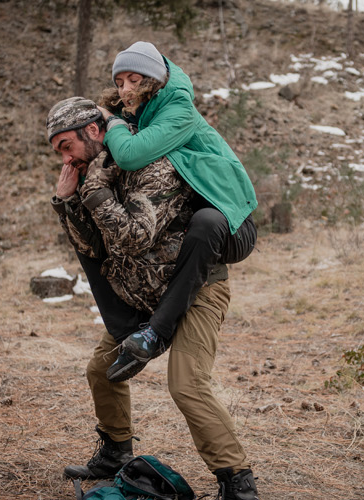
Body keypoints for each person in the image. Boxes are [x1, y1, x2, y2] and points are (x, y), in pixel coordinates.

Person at [46, 96, 259, 500]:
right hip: (142, 296)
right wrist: (69, 201)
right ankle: (114, 452)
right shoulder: (95, 173)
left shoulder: (150, 162)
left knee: (186, 384)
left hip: (194, 291)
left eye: (66, 147)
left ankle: (238, 482)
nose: (65, 158)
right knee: (100, 369)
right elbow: (93, 246)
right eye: (59, 152)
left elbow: (133, 236)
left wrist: (93, 193)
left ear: (93, 132)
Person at [95, 41, 258, 383]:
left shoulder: (178, 110)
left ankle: (156, 333)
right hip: (195, 228)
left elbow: (128, 154)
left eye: (133, 79)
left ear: (154, 79)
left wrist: (112, 126)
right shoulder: (142, 115)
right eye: (119, 81)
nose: (125, 88)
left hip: (233, 224)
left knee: (206, 221)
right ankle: (131, 334)